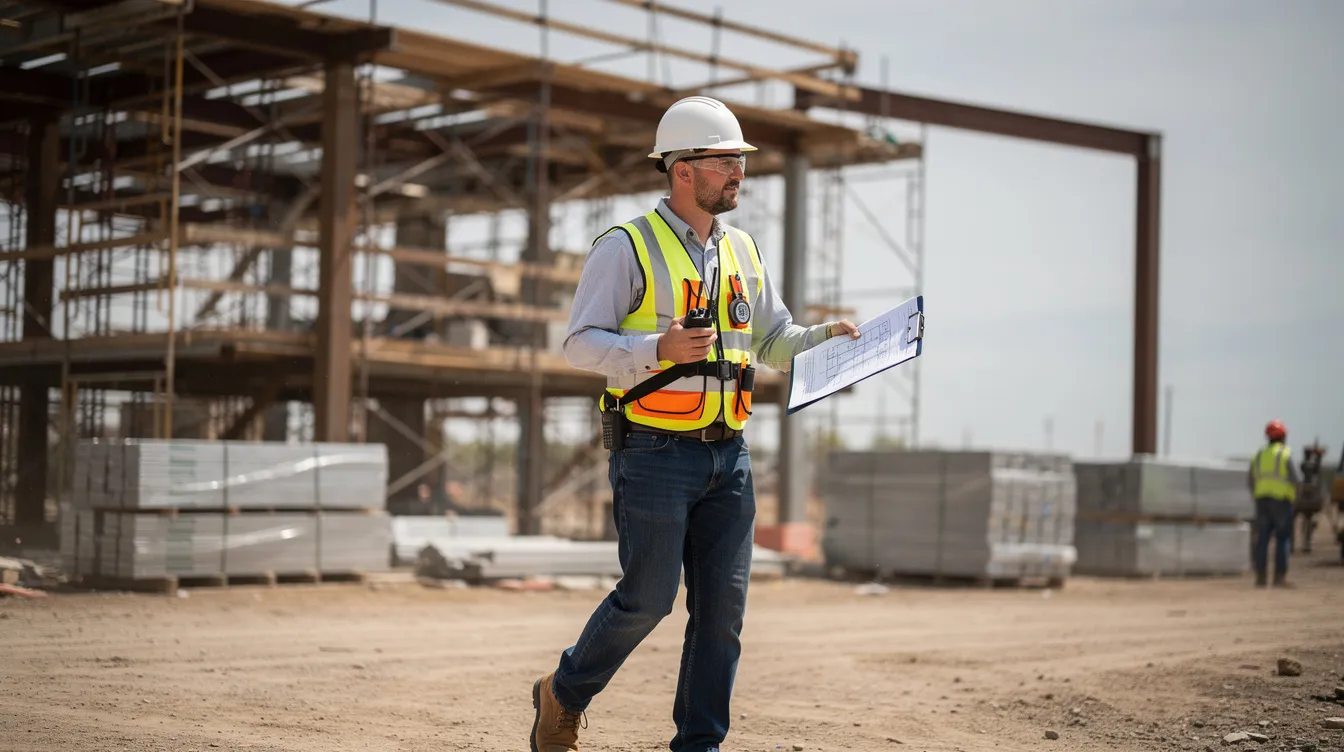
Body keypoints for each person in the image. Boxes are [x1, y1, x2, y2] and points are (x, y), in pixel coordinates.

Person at [529, 95, 860, 752]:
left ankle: (699, 746)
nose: (739, 171)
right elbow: (578, 344)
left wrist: (823, 338)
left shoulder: (742, 250)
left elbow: (769, 341)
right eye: (726, 161)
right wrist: (654, 349)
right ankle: (563, 693)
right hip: (652, 452)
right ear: (682, 169)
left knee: (721, 618)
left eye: (741, 160)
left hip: (728, 458)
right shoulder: (625, 247)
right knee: (647, 600)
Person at [1249, 419, 1300, 587]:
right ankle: (1279, 578)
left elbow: (1250, 480)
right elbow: (1296, 479)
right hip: (1281, 501)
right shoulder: (1285, 454)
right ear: (1283, 436)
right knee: (1282, 538)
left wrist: (1257, 494)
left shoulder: (1258, 455)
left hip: (1261, 500)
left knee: (1262, 538)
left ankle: (1261, 578)